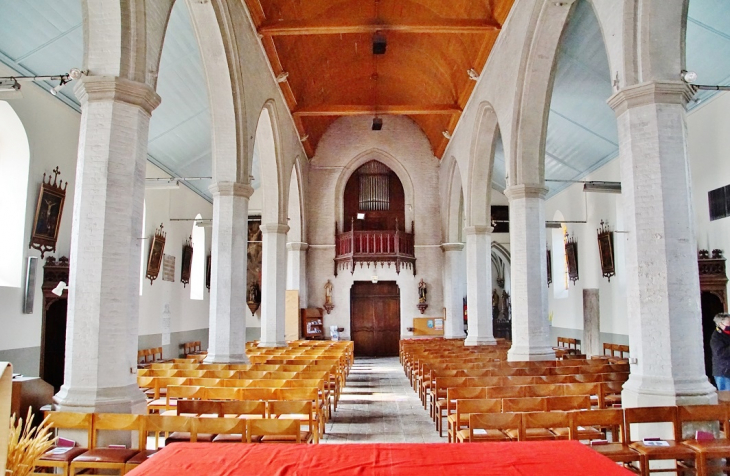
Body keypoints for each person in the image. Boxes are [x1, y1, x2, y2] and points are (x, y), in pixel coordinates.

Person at [711, 312, 730, 390]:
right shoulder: (716, 337)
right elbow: (720, 353)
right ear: (720, 324)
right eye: (729, 323)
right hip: (723, 372)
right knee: (726, 397)